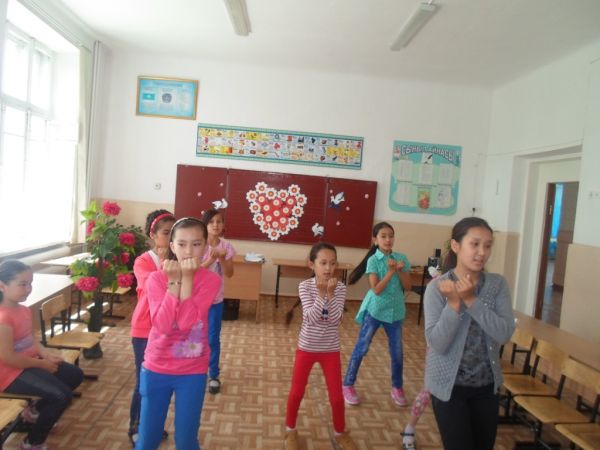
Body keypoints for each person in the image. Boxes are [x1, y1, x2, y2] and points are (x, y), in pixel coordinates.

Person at [424, 217, 515, 450]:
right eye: (475, 244)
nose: (482, 252)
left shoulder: (497, 285)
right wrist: (454, 304)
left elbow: (504, 333)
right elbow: (437, 343)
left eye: (488, 245)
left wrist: (471, 300)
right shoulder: (437, 288)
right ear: (456, 246)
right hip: (449, 387)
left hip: (486, 386)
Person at [135, 218, 221, 450]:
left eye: (196, 244)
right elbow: (162, 326)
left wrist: (188, 278)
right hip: (156, 367)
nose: (189, 251)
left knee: (186, 441)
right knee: (148, 439)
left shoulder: (211, 280)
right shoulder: (156, 278)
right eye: (182, 244)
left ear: (206, 246)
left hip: (192, 370)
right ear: (172, 246)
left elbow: (185, 323)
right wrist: (174, 282)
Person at [0, 260, 84, 450]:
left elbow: (30, 338)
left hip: (28, 362)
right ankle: (32, 442)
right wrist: (41, 364)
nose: (28, 289)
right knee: (61, 396)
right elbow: (8, 357)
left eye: (30, 283)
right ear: (2, 286)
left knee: (74, 375)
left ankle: (35, 412)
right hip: (8, 373)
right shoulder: (3, 318)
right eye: (22, 284)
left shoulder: (22, 309)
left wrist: (46, 355)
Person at [283, 243, 357, 450]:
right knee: (296, 393)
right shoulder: (305, 286)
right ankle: (290, 430)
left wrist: (330, 294)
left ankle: (340, 433)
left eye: (332, 263)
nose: (328, 268)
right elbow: (311, 318)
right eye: (323, 263)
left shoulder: (340, 288)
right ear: (312, 265)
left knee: (336, 397)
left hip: (330, 350)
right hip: (306, 348)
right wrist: (322, 294)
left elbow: (335, 320)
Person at [342, 222, 412, 407]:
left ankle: (397, 387)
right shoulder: (373, 260)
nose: (388, 239)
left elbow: (408, 287)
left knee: (397, 353)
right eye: (383, 236)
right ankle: (348, 384)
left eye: (391, 236)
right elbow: (377, 289)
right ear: (375, 240)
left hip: (395, 312)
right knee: (362, 347)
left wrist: (400, 271)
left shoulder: (401, 258)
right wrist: (391, 272)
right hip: (375, 310)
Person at [128, 209, 175, 445]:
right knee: (144, 381)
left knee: (162, 382)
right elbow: (154, 286)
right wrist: (167, 265)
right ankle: (136, 426)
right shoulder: (143, 261)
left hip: (168, 329)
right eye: (166, 232)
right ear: (153, 235)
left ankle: (153, 425)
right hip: (145, 329)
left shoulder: (178, 260)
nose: (171, 237)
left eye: (174, 232)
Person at [200, 208, 235, 395]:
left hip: (216, 300)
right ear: (205, 224)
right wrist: (209, 260)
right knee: (194, 336)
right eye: (211, 221)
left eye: (219, 221)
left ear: (223, 225)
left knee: (213, 338)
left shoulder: (226, 246)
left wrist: (221, 258)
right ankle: (194, 370)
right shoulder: (198, 244)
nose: (215, 225)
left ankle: (213, 374)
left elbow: (229, 273)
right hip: (196, 300)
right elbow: (193, 271)